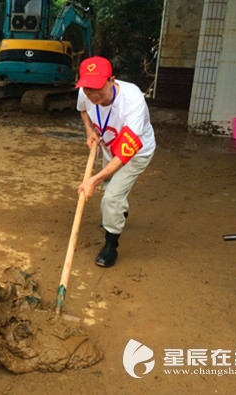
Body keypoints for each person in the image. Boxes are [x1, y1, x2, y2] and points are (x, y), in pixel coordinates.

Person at [75, 56, 156, 268]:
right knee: (110, 187)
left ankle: (111, 245)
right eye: (87, 88)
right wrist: (90, 130)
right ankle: (119, 210)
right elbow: (82, 109)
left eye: (97, 88)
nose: (92, 94)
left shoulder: (133, 101)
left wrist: (92, 180)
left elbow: (125, 154)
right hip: (110, 147)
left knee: (110, 197)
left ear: (112, 79)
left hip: (136, 153)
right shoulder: (86, 93)